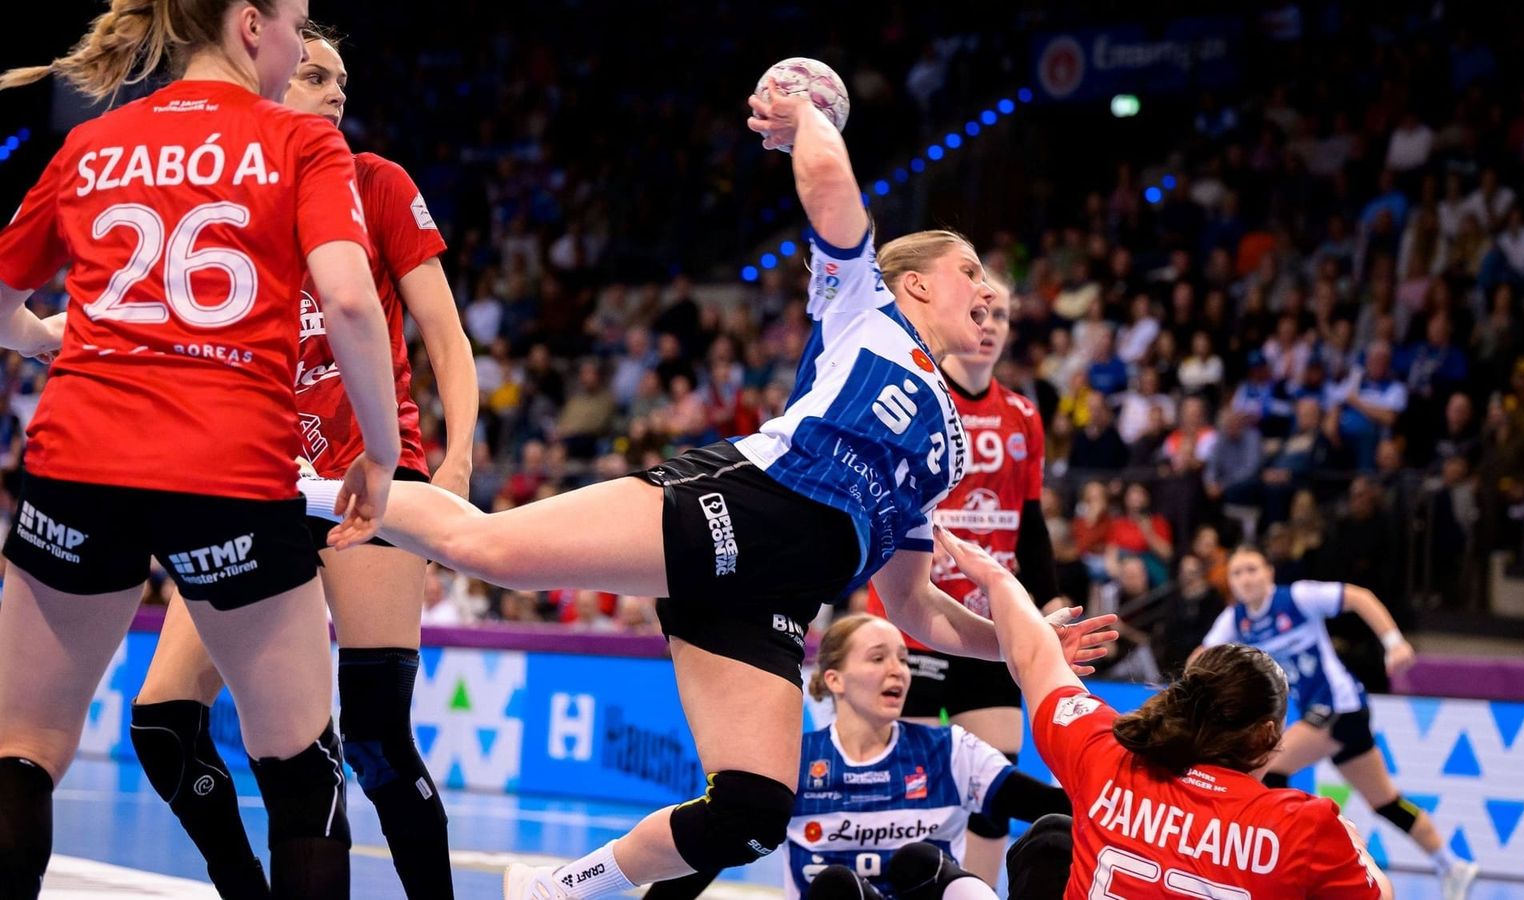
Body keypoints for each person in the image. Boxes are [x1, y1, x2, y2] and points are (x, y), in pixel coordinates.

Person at [299, 76, 1083, 900]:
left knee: (751, 814)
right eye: (969, 272)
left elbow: (917, 606)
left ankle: (554, 889)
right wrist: (806, 116)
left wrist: (1023, 643)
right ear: (915, 283)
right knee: (489, 549)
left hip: (780, 599)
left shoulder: (949, 450)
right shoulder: (866, 313)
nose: (987, 290)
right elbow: (830, 187)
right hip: (734, 511)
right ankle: (293, 487)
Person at [0, 1, 401, 897]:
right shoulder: (301, 142)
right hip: (227, 467)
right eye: (298, 25)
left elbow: (0, 297)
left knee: (22, 751)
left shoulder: (92, 143)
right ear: (251, 25)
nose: (301, 45)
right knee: (301, 770)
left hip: (78, 461)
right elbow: (348, 302)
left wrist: (40, 338)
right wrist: (378, 453)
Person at [125, 27, 476, 900]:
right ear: (268, 76)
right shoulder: (223, 199)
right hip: (255, 489)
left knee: (376, 740)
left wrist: (458, 464)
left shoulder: (375, 182)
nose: (336, 90)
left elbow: (445, 335)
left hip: (370, 477)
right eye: (316, 74)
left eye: (342, 80)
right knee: (163, 725)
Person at [935, 526, 1394, 899]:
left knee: (1050, 840)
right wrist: (1357, 853)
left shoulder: (1107, 758)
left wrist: (997, 579)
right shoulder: (1308, 826)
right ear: (1268, 735)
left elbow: (1034, 657)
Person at [642, 614, 1098, 899]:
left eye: (902, 658)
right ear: (835, 680)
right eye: (878, 658)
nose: (897, 670)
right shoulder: (793, 761)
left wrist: (1043, 663)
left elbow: (1053, 806)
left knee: (1050, 835)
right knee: (837, 887)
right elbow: (716, 847)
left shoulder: (949, 750)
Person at [861, 277, 1058, 885]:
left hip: (986, 625)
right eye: (979, 311)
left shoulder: (1024, 415)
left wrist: (1046, 604)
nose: (989, 325)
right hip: (915, 620)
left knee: (995, 790)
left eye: (1000, 314)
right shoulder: (916, 396)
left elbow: (1031, 521)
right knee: (909, 794)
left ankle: (976, 894)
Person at [1197, 548, 1478, 899]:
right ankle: (1452, 865)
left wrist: (1393, 643)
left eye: (1252, 569)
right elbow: (1202, 656)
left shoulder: (1297, 597)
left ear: (1269, 573)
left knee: (1265, 763)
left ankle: (1278, 861)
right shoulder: (1234, 619)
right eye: (1237, 573)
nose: (1245, 578)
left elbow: (1360, 598)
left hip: (1340, 707)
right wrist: (1192, 695)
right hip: (1327, 716)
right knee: (1385, 802)